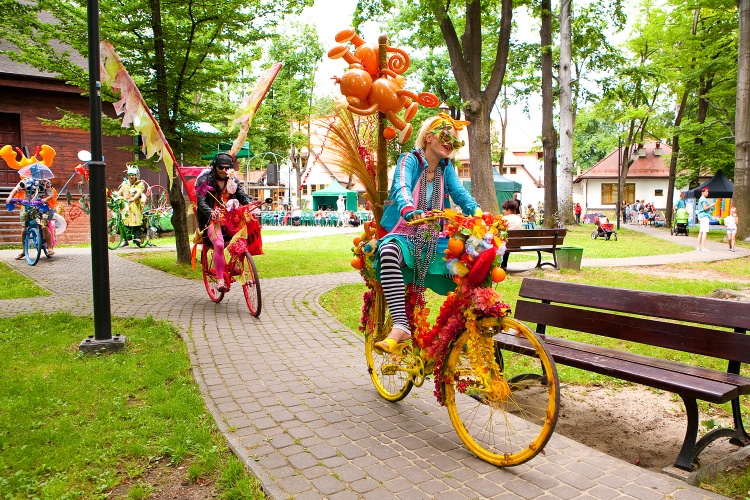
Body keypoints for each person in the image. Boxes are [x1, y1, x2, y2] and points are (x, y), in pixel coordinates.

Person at [374, 113, 479, 353]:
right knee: (389, 252)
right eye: (445, 136)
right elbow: (400, 186)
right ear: (429, 137)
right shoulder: (409, 160)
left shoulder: (446, 167)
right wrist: (409, 209)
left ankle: (462, 326)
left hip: (435, 237)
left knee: (468, 263)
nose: (450, 143)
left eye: (454, 140)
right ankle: (400, 325)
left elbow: (460, 194)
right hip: (403, 231)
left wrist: (478, 213)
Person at [196, 152, 252, 292]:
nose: (224, 170)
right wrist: (211, 212)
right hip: (212, 219)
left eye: (227, 168)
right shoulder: (205, 180)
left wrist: (251, 205)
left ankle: (235, 264)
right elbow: (201, 202)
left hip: (230, 217)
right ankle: (220, 280)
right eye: (221, 167)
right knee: (219, 245)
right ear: (215, 166)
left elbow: (242, 196)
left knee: (241, 238)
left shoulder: (233, 180)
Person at [6, 176, 56, 259]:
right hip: (27, 206)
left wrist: (44, 200)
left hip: (41, 207)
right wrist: (10, 197)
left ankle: (50, 248)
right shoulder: (26, 181)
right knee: (24, 229)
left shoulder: (46, 182)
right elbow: (16, 189)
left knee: (44, 226)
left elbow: (51, 195)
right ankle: (24, 251)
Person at [112, 164, 147, 245]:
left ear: (136, 175)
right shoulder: (125, 183)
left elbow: (138, 193)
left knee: (136, 221)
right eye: (129, 175)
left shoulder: (140, 184)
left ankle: (138, 237)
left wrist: (132, 199)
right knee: (123, 221)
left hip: (135, 206)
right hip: (125, 206)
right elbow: (120, 192)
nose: (131, 177)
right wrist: (114, 197)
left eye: (132, 175)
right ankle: (125, 239)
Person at [696, 187, 715, 252]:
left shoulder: (701, 199)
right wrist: (711, 205)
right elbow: (705, 208)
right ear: (702, 192)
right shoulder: (703, 199)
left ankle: (698, 246)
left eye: (707, 192)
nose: (707, 193)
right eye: (706, 191)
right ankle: (703, 247)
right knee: (705, 232)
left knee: (701, 232)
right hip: (704, 216)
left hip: (701, 216)